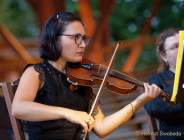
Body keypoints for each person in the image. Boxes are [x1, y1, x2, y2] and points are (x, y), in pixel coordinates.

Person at [12, 11, 161, 140]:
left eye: (84, 38)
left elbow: (102, 128)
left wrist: (140, 101)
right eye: (75, 37)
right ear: (54, 39)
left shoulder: (83, 83)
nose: (83, 44)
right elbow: (18, 108)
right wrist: (68, 113)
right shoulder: (37, 72)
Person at [144, 28, 184, 140]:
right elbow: (154, 107)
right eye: (175, 46)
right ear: (164, 56)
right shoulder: (157, 79)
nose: (181, 49)